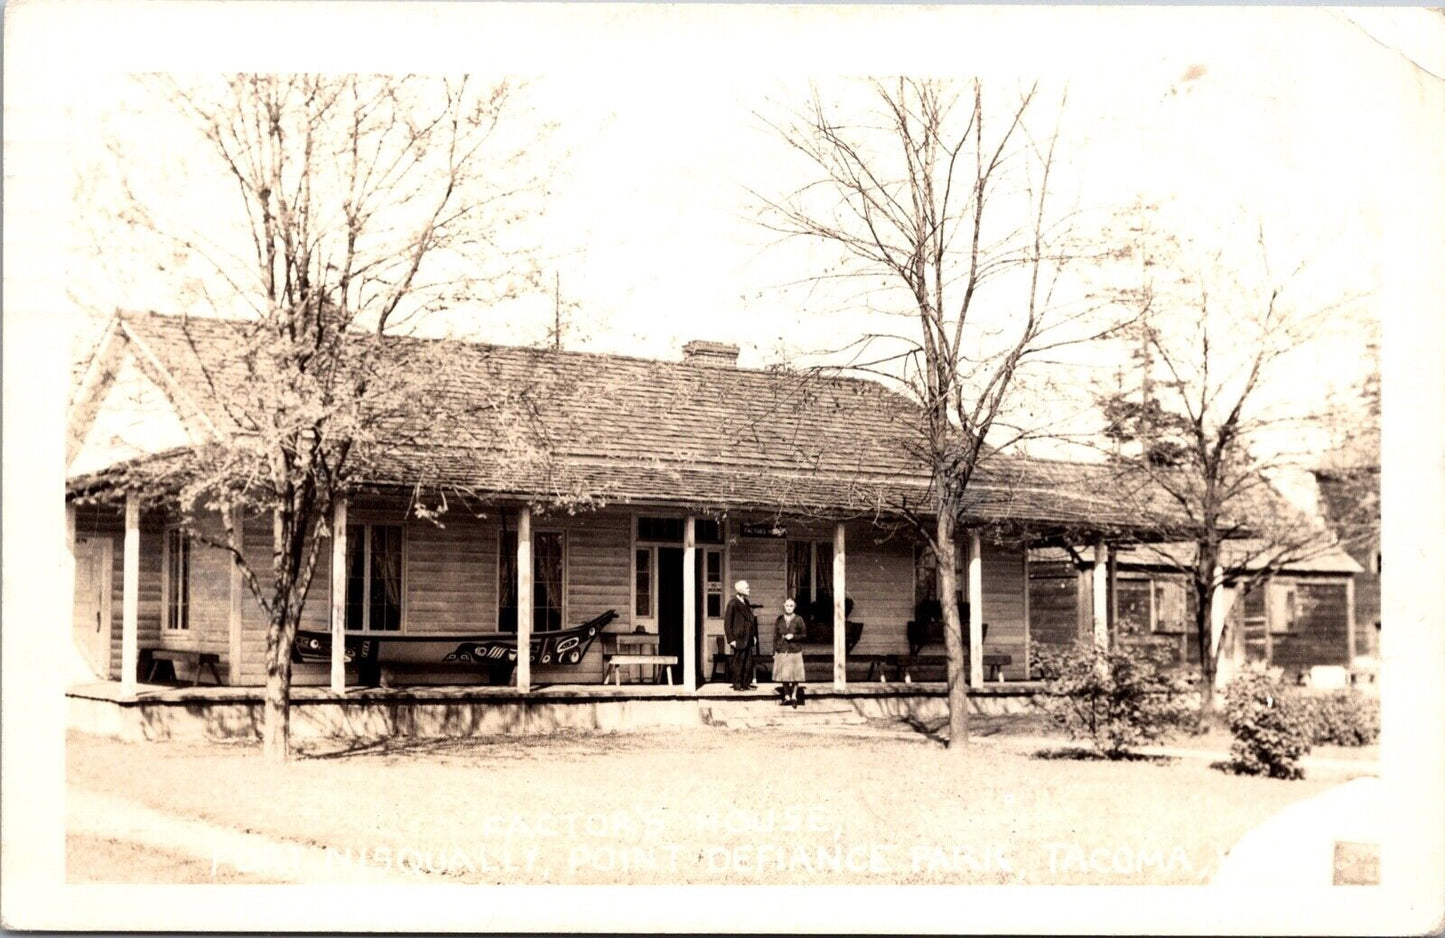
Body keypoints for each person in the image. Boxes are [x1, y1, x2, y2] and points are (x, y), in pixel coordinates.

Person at [723, 580, 758, 691]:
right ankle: (737, 684)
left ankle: (745, 683)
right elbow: (727, 622)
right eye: (747, 588)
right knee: (738, 662)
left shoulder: (746, 602)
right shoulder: (733, 603)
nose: (749, 589)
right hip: (738, 638)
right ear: (740, 590)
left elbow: (750, 622)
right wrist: (731, 639)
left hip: (748, 638)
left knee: (748, 662)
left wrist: (753, 636)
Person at [772, 597, 806, 707]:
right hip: (782, 649)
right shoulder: (779, 619)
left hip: (794, 650)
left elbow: (804, 635)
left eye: (791, 606)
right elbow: (775, 636)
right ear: (783, 606)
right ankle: (786, 696)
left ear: (794, 607)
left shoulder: (799, 619)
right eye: (787, 605)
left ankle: (794, 697)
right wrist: (774, 652)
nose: (789, 608)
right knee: (784, 674)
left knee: (795, 674)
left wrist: (794, 636)